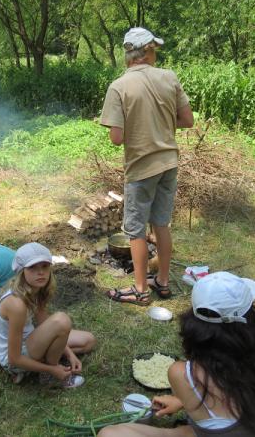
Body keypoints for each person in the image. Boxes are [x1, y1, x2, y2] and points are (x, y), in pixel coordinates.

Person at [98, 272, 255, 437]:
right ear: (251, 319)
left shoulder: (183, 374)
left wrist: (184, 399)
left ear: (194, 323)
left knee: (109, 434)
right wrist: (180, 401)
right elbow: (237, 395)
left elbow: (219, 395)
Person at [100, 27, 194, 306]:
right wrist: (160, 124)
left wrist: (138, 126)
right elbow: (187, 120)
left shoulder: (119, 86)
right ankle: (162, 282)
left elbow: (116, 138)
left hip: (141, 168)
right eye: (155, 50)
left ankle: (141, 290)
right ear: (148, 51)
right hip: (169, 163)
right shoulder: (169, 77)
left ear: (128, 55)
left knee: (135, 229)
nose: (156, 55)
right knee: (161, 223)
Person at [0, 243, 96, 387]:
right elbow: (14, 358)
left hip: (30, 340)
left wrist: (70, 354)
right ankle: (48, 376)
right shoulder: (16, 304)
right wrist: (52, 369)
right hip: (12, 360)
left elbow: (43, 323)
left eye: (45, 266)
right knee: (61, 320)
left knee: (88, 341)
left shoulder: (36, 289)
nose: (40, 272)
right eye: (32, 267)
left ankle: (42, 362)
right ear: (22, 271)